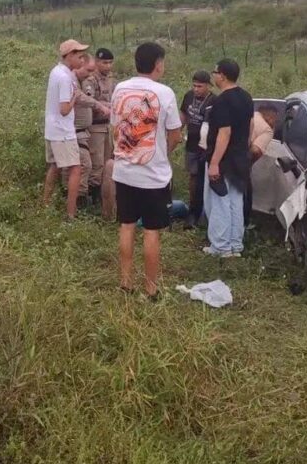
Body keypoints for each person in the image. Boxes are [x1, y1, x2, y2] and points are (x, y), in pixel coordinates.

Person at [111, 42, 182, 301]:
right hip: (154, 177)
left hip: (123, 172)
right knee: (152, 232)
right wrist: (163, 153)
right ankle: (151, 289)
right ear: (158, 65)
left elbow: (116, 128)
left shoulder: (119, 89)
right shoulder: (165, 93)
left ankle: (125, 283)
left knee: (126, 226)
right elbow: (175, 135)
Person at [203, 58, 253, 257]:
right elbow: (249, 126)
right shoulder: (246, 97)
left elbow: (224, 132)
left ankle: (221, 246)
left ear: (222, 75)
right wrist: (245, 147)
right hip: (240, 157)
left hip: (224, 158)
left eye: (215, 72)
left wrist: (214, 162)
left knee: (220, 201)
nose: (213, 75)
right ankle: (235, 245)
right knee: (235, 200)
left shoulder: (222, 100)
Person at [43, 39, 89, 220]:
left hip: (52, 129)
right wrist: (74, 98)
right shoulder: (65, 78)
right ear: (69, 56)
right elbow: (64, 110)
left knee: (54, 167)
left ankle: (45, 204)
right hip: (63, 131)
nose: (82, 60)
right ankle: (71, 214)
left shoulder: (56, 71)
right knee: (76, 169)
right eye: (79, 56)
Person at [61, 55, 110, 206]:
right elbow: (82, 98)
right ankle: (76, 201)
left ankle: (80, 200)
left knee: (84, 165)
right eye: (88, 70)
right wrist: (100, 105)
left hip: (82, 131)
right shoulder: (70, 81)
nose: (90, 74)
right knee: (84, 165)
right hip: (74, 131)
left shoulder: (76, 81)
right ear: (79, 64)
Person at [179, 70, 215, 229]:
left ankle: (205, 212)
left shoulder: (214, 101)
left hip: (207, 147)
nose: (196, 89)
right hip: (191, 144)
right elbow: (183, 114)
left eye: (200, 86)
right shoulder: (188, 96)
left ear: (208, 85)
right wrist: (178, 130)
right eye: (194, 86)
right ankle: (193, 212)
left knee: (205, 179)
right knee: (193, 177)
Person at [86, 47, 116, 205]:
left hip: (107, 126)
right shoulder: (91, 80)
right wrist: (108, 106)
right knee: (96, 163)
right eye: (105, 62)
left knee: (107, 162)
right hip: (95, 126)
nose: (108, 66)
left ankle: (104, 197)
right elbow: (90, 102)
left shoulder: (109, 78)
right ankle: (92, 196)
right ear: (97, 62)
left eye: (110, 63)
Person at [243, 105, 278, 226]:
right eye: (275, 119)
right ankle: (244, 222)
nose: (275, 123)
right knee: (245, 192)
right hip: (242, 162)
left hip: (226, 158)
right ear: (270, 116)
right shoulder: (267, 129)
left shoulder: (249, 116)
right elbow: (256, 150)